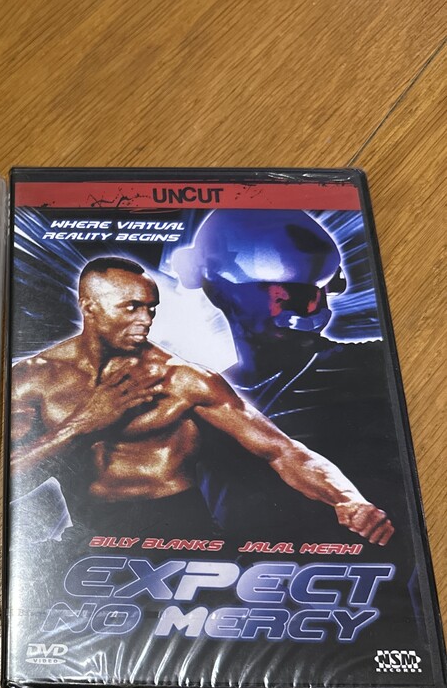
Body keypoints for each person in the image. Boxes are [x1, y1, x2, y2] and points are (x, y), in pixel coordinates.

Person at [11, 257, 393, 545]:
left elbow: (282, 451)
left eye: (150, 308)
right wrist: (82, 425)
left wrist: (348, 500)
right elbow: (0, 474)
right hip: (91, 534)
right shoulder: (32, 379)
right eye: (131, 307)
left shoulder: (181, 379)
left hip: (180, 530)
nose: (145, 320)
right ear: (90, 306)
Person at [170, 210, 401, 535]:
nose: (313, 307)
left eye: (317, 290)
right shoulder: (197, 400)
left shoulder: (370, 363)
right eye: (285, 292)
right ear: (220, 291)